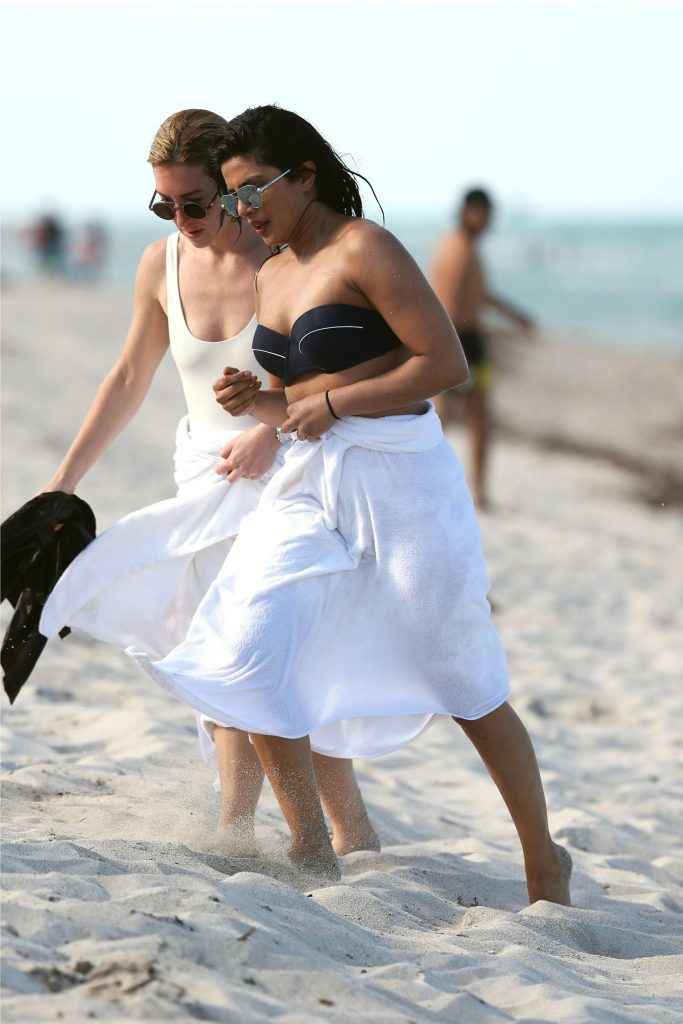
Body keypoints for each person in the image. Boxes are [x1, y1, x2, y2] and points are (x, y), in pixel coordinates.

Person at [81, 104, 571, 901]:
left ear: (304, 175)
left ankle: (542, 859)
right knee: (244, 638)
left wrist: (332, 405)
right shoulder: (271, 272)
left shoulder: (365, 248)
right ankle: (311, 848)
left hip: (400, 480)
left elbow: (442, 363)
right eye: (230, 197)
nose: (242, 210)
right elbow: (294, 402)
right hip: (306, 484)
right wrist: (257, 403)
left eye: (251, 190)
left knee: (464, 680)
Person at [38, 109, 378, 858]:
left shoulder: (282, 257)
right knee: (224, 662)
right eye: (164, 205)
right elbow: (129, 377)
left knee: (274, 662)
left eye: (193, 203)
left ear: (229, 188)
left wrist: (268, 430)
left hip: (290, 476)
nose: (181, 220)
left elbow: (339, 370)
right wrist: (62, 486)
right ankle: (262, 832)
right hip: (202, 482)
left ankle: (332, 835)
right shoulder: (160, 265)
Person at [430, 189, 535, 509]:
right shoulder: (459, 249)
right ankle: (475, 492)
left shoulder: (460, 245)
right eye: (485, 214)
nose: (489, 221)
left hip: (463, 340)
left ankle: (468, 490)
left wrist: (514, 315)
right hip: (463, 341)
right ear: (469, 211)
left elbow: (479, 293)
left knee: (458, 416)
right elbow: (448, 300)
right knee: (469, 417)